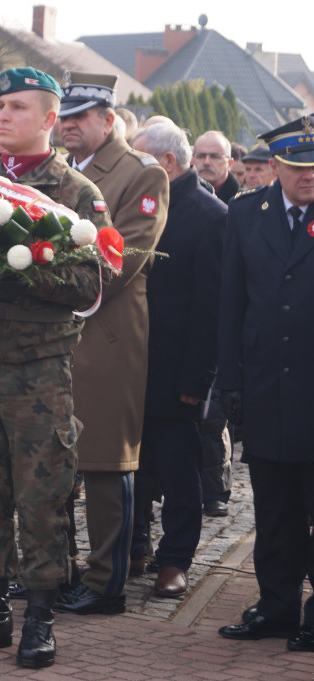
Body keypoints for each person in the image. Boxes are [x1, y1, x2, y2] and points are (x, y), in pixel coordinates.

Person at [0, 67, 108, 669]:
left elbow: (91, 282)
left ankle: (40, 615)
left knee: (42, 498)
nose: (3, 115)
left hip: (36, 372)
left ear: (47, 119)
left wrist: (18, 264)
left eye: (16, 107)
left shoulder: (72, 195)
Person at [53, 71, 168, 616]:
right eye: (64, 116)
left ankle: (106, 584)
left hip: (107, 338)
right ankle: (55, 570)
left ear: (108, 119)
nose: (69, 126)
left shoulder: (140, 175)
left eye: (80, 117)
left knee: (103, 465)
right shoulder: (54, 172)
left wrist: (38, 276)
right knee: (50, 461)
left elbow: (120, 262)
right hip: (53, 336)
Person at [217, 115, 314, 653]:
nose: (309, 177)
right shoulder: (244, 213)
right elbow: (231, 301)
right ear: (274, 167)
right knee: (274, 508)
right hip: (265, 385)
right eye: (298, 168)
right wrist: (229, 380)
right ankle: (276, 606)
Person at [130, 122, 225, 598]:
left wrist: (198, 377)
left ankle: (175, 560)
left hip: (176, 371)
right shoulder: (136, 203)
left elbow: (211, 309)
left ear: (167, 163)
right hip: (128, 362)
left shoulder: (210, 214)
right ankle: (133, 546)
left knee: (178, 471)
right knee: (130, 467)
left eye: (140, 157)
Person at [194, 131, 239, 204]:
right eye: (200, 156)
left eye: (215, 156)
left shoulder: (243, 203)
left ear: (230, 164)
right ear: (192, 161)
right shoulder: (178, 197)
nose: (206, 162)